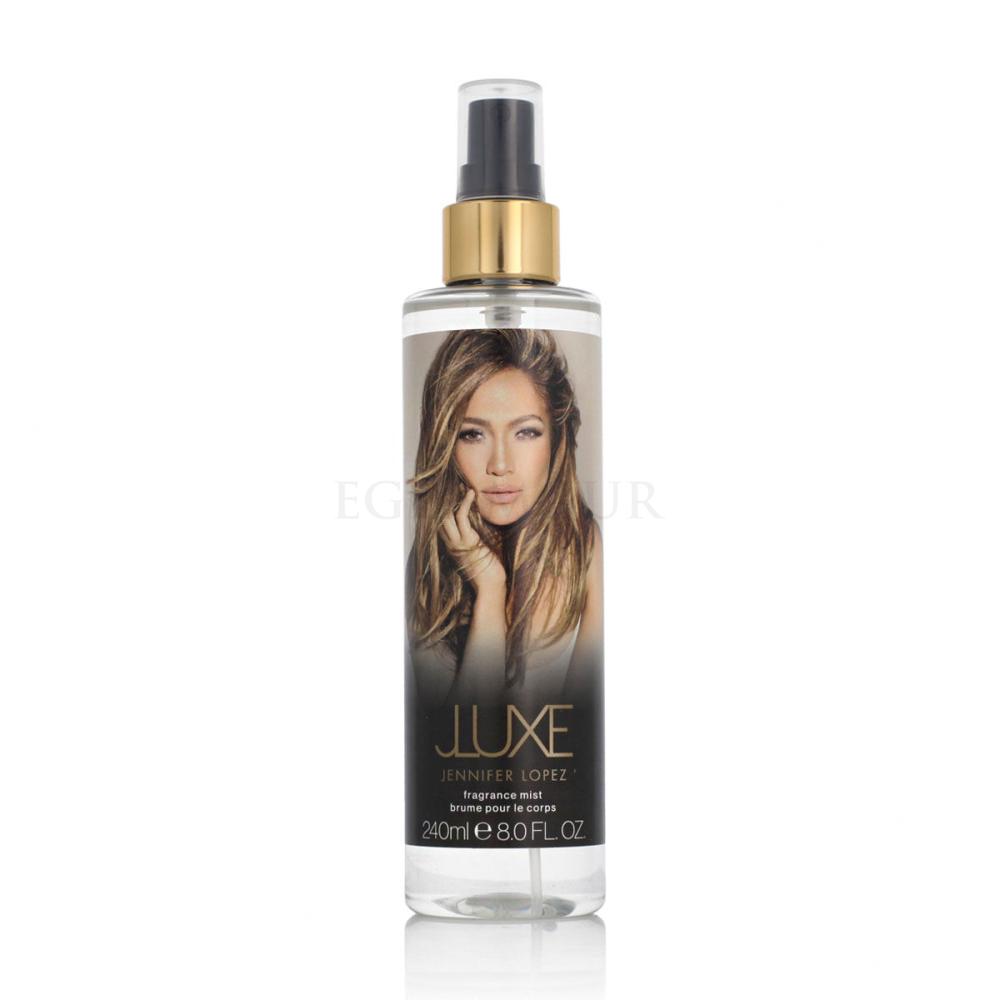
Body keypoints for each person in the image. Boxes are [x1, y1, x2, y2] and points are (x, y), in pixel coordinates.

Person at [406, 328, 602, 708]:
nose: (500, 465)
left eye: (525, 432)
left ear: (556, 439)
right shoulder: (429, 566)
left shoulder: (586, 549)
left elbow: (578, 725)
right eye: (473, 435)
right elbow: (462, 730)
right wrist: (490, 589)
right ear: (445, 446)